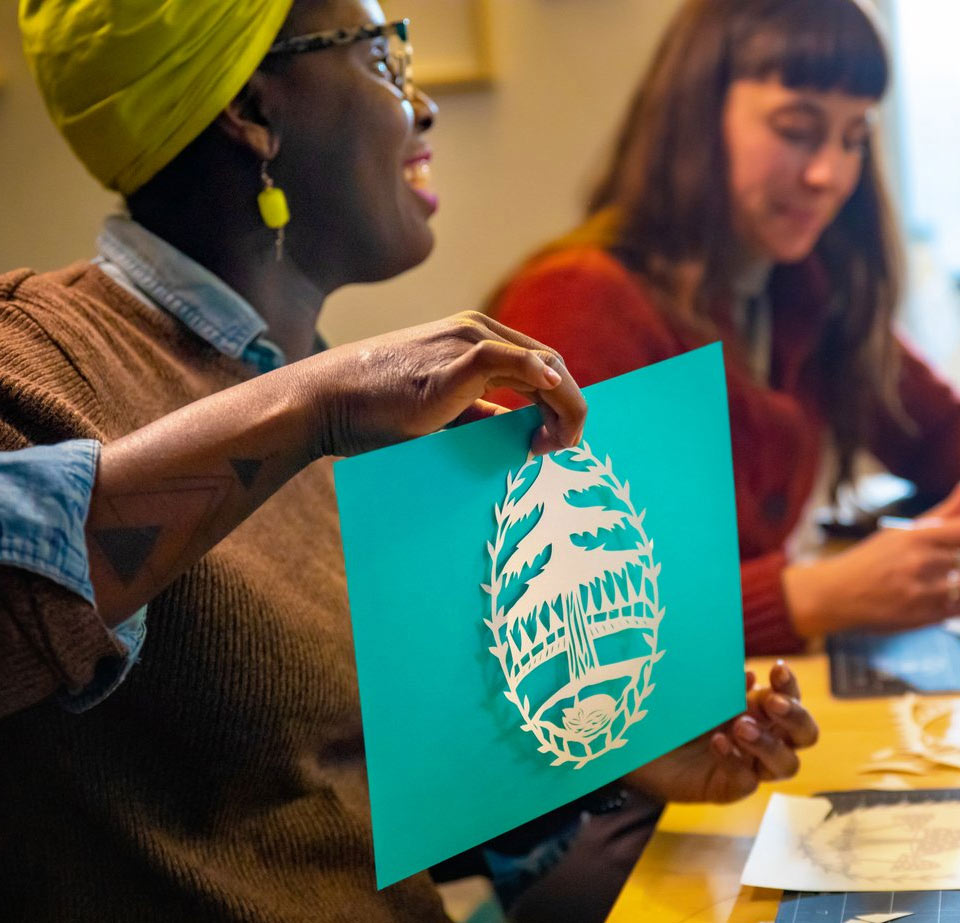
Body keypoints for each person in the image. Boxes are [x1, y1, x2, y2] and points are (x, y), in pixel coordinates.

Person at [1, 1, 815, 920]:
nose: (420, 107)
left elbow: (343, 790)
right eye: (384, 58)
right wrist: (314, 408)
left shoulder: (304, 388)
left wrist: (610, 750)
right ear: (252, 111)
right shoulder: (35, 350)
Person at [488, 0, 960, 657]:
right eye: (798, 130)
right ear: (698, 118)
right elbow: (537, 617)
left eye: (855, 138)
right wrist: (811, 595)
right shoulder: (580, 303)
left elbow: (942, 434)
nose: (829, 174)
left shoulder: (806, 288)